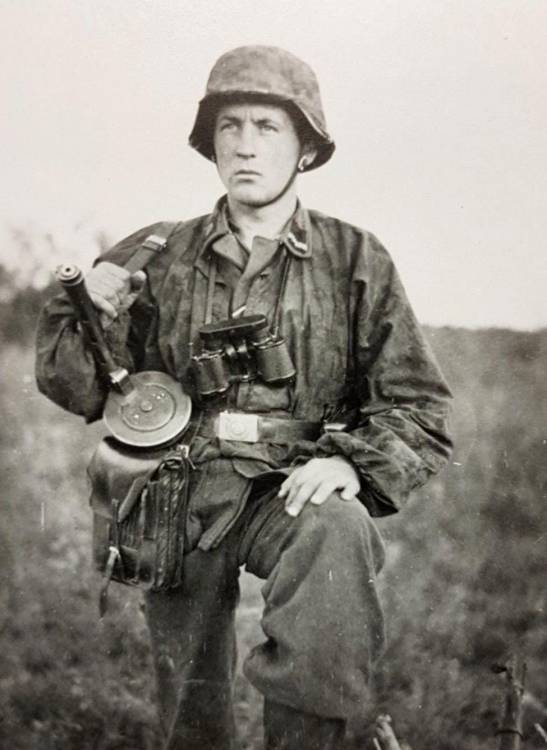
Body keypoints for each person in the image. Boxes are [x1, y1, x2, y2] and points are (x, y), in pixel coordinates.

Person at [35, 46, 452, 750]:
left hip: (291, 484)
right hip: (178, 484)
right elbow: (78, 384)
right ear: (211, 141)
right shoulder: (155, 253)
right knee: (189, 692)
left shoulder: (355, 259)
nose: (245, 145)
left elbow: (418, 403)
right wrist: (84, 313)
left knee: (335, 537)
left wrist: (350, 464)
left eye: (266, 126)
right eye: (229, 126)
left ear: (305, 148)